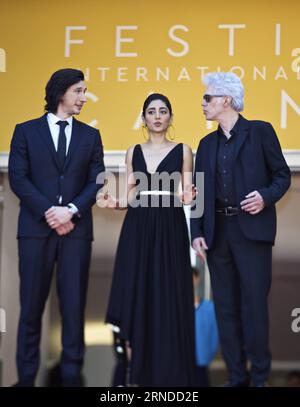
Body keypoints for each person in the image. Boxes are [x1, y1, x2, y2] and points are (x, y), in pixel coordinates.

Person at [190, 72, 291, 387]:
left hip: (253, 234)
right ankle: (237, 376)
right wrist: (196, 231)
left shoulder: (260, 132)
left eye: (208, 98)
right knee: (225, 309)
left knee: (254, 306)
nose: (203, 103)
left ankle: (259, 377)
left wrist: (265, 196)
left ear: (226, 100)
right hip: (218, 233)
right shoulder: (206, 144)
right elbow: (200, 191)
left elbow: (282, 176)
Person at [8, 68, 105, 387]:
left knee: (74, 309)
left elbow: (97, 180)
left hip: (76, 232)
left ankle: (71, 378)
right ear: (61, 92)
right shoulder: (25, 131)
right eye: (79, 91)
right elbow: (19, 178)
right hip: (36, 230)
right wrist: (50, 211)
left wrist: (71, 211)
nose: (84, 97)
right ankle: (25, 380)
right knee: (31, 308)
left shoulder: (91, 136)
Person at [98, 93, 196, 386]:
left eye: (163, 111)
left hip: (169, 222)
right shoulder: (132, 151)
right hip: (138, 224)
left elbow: (187, 191)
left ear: (170, 117)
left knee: (166, 290)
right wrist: (117, 202)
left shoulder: (183, 150)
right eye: (151, 111)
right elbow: (131, 193)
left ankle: (168, 373)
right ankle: (135, 373)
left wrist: (190, 196)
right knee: (137, 285)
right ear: (144, 118)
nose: (157, 116)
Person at [193, 267, 219, 387]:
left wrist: (207, 354)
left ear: (197, 279)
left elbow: (215, 336)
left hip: (201, 362)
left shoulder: (210, 308)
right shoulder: (175, 309)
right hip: (179, 363)